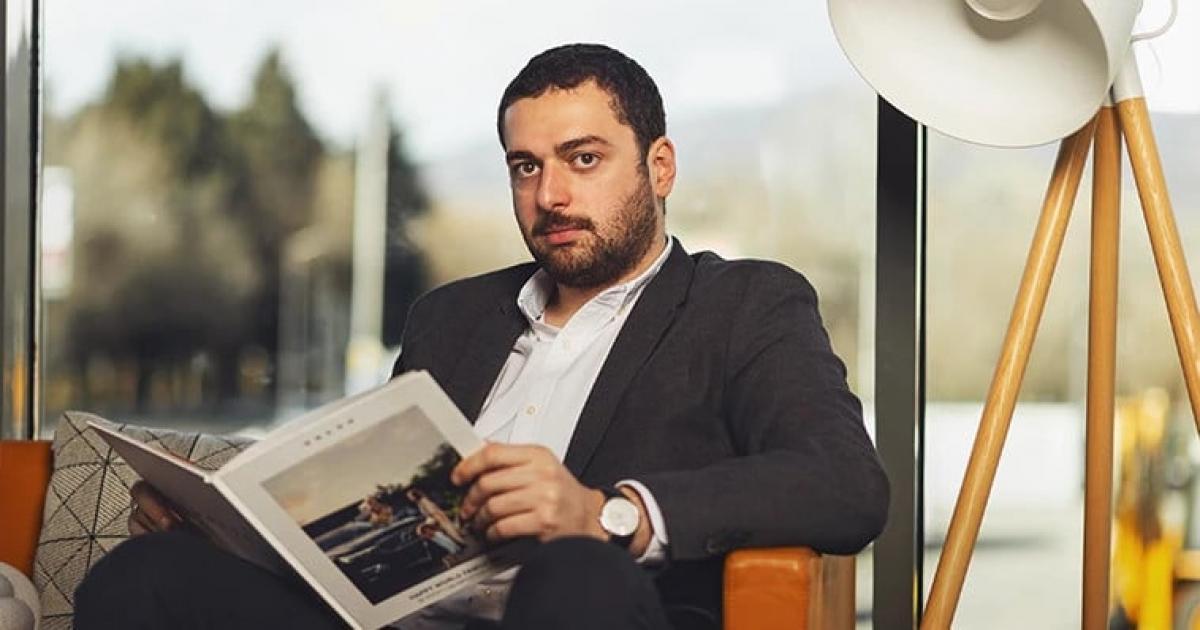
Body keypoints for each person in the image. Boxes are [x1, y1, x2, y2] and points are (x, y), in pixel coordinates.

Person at [74, 43, 888, 630]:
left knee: (572, 571)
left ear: (660, 166)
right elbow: (377, 517)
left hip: (587, 603)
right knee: (148, 573)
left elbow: (846, 483)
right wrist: (232, 530)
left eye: (583, 159)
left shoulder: (744, 304)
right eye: (526, 166)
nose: (551, 194)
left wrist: (608, 514)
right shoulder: (450, 317)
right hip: (406, 619)